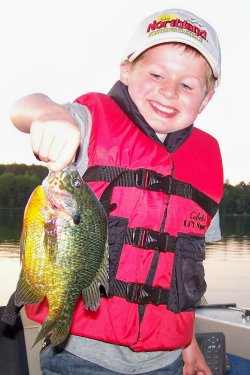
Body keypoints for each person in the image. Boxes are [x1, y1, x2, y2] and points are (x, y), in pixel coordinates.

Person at [10, 8, 223, 375]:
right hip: (81, 355)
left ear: (205, 99)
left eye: (187, 85)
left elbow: (182, 271)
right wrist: (48, 114)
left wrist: (188, 344)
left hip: (166, 360)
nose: (169, 91)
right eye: (156, 74)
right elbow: (22, 109)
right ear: (126, 71)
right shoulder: (89, 123)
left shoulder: (206, 163)